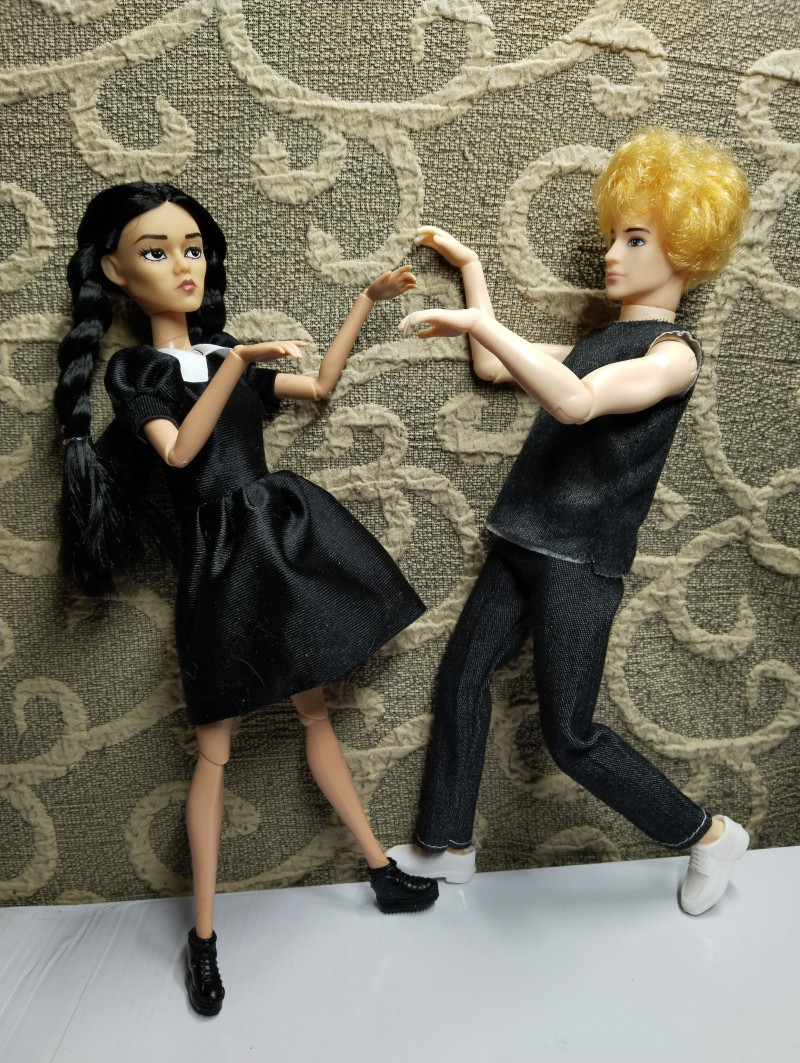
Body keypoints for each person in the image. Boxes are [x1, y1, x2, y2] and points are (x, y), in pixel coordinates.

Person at [55, 181, 437, 1017]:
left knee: (315, 714)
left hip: (279, 545)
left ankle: (380, 868)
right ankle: (203, 937)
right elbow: (181, 454)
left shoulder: (227, 348)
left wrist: (364, 302)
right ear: (115, 272)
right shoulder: (137, 369)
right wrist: (234, 364)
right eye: (156, 251)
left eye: (192, 247)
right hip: (220, 564)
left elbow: (321, 387)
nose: (182, 265)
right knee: (215, 752)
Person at [389, 127, 751, 916]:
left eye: (635, 238)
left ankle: (708, 833)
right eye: (613, 235)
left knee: (570, 735)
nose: (612, 254)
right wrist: (472, 274)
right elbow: (497, 364)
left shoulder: (673, 354)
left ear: (685, 247)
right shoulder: (600, 340)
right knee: (462, 677)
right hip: (522, 536)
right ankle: (448, 844)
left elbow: (577, 402)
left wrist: (481, 324)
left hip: (580, 562)